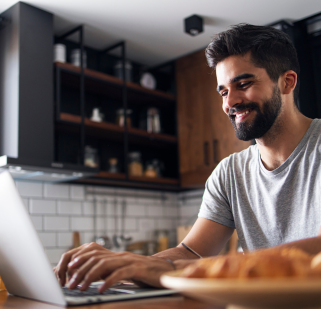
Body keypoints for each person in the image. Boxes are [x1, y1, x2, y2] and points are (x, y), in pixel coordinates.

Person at [54, 23, 321, 292]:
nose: (230, 103)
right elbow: (192, 253)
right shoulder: (229, 173)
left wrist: (171, 268)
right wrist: (129, 265)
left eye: (244, 84)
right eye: (224, 91)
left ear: (287, 82)